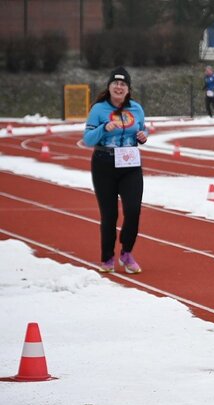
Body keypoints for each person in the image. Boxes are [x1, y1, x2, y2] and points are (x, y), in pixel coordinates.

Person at [83, 66, 147, 274]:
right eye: (115, 83)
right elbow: (87, 139)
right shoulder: (98, 109)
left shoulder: (136, 109)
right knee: (109, 215)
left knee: (133, 210)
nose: (119, 87)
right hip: (104, 164)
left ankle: (126, 252)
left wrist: (143, 136)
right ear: (109, 87)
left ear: (128, 89)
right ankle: (107, 257)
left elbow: (142, 129)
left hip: (130, 164)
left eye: (123, 84)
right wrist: (103, 128)